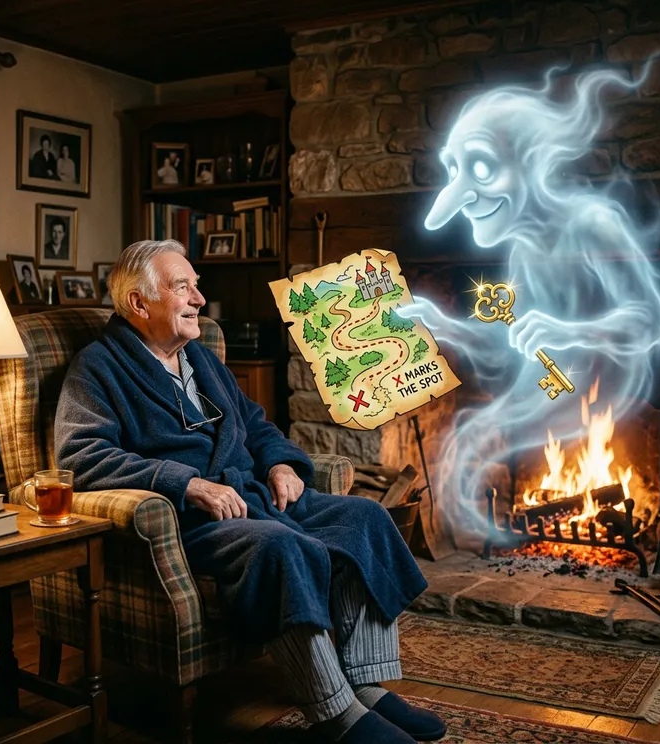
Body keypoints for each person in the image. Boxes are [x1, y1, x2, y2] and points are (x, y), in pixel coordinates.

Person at [54, 240, 446, 744]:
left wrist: (282, 463)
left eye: (196, 285)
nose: (199, 298)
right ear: (138, 303)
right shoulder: (98, 367)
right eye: (183, 288)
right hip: (192, 520)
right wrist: (187, 484)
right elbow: (80, 457)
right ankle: (336, 713)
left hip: (256, 493)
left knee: (364, 518)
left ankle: (364, 684)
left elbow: (256, 425)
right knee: (280, 547)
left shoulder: (200, 358)